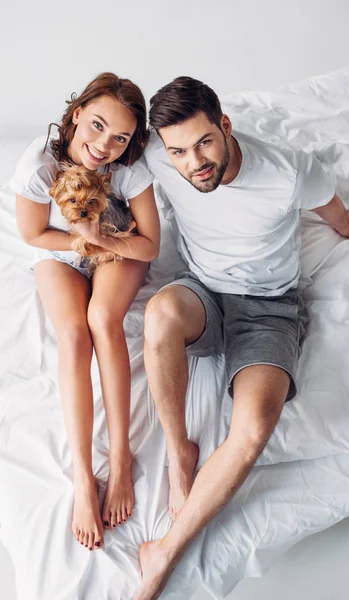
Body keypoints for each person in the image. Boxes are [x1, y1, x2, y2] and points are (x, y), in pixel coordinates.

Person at [136, 76, 349, 599]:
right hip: (202, 292)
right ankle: (181, 451)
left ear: (224, 125)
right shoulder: (161, 158)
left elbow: (333, 210)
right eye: (178, 151)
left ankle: (163, 553)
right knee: (158, 315)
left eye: (204, 142)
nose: (194, 162)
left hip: (268, 309)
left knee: (251, 432)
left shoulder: (288, 172)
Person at [11, 73, 160, 552]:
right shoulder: (38, 163)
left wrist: (104, 241)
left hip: (118, 247)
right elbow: (34, 234)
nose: (104, 146)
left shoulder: (131, 171)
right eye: (97, 126)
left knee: (102, 321)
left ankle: (120, 460)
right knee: (74, 336)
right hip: (60, 252)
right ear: (77, 114)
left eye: (120, 138)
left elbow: (150, 245)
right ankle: (82, 474)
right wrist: (81, 241)